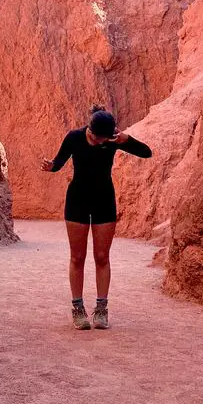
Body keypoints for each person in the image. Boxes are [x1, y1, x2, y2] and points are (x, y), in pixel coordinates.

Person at [41, 106, 152, 330]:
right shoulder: (74, 137)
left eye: (99, 138)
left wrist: (126, 140)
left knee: (102, 256)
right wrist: (50, 166)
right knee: (77, 257)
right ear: (88, 128)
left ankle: (102, 309)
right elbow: (59, 163)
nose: (94, 140)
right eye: (92, 135)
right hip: (77, 201)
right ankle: (78, 309)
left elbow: (146, 152)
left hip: (104, 202)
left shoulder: (113, 141)